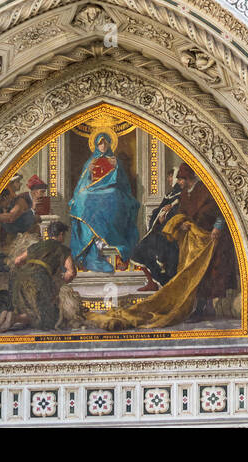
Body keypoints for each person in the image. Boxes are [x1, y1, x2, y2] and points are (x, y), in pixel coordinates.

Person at [99, 163, 236, 332]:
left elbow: (221, 210)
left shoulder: (205, 189)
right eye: (177, 179)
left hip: (210, 238)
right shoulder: (185, 193)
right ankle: (197, 308)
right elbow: (184, 213)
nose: (178, 182)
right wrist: (182, 223)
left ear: (188, 178)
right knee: (191, 272)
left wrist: (217, 227)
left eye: (180, 179)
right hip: (192, 240)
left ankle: (203, 309)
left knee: (205, 274)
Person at [68, 131, 139, 273]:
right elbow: (83, 185)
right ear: (95, 145)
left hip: (111, 190)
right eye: (100, 143)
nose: (103, 146)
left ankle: (115, 244)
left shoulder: (115, 160)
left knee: (113, 195)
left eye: (105, 143)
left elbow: (123, 183)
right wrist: (89, 172)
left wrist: (115, 168)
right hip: (93, 191)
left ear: (109, 144)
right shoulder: (90, 162)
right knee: (83, 198)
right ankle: (89, 251)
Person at [5, 220, 77, 331]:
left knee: (29, 306)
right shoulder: (62, 249)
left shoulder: (36, 246)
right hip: (40, 278)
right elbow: (71, 272)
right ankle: (15, 318)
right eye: (64, 235)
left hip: (19, 278)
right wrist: (60, 281)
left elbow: (17, 261)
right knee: (50, 319)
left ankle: (8, 316)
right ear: (61, 234)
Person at [130, 169, 181, 291]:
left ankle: (162, 284)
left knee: (152, 253)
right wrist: (159, 214)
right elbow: (159, 210)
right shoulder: (171, 194)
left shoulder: (180, 196)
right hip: (160, 232)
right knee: (138, 251)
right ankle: (151, 282)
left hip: (169, 235)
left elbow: (177, 215)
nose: (169, 179)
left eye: (171, 177)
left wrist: (165, 216)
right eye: (169, 177)